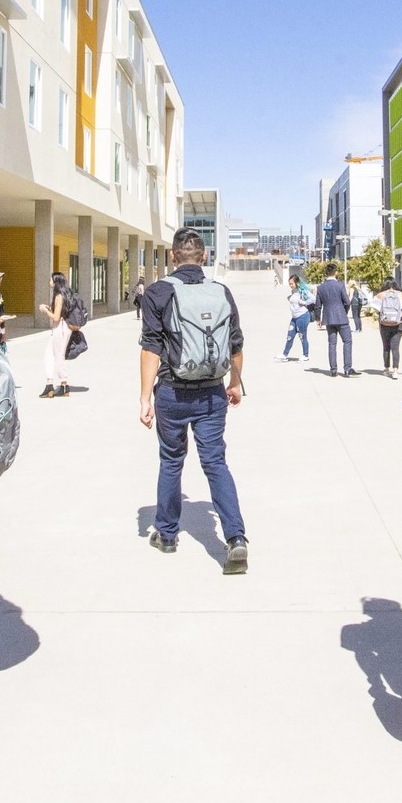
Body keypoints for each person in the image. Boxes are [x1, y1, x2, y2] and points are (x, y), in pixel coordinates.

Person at [139, 228, 248, 573]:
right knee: (215, 462)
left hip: (171, 392)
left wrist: (145, 398)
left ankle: (167, 534)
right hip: (212, 392)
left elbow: (151, 347)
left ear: (172, 257)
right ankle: (235, 539)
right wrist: (234, 383)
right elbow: (236, 344)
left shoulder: (158, 292)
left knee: (171, 461)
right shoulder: (221, 292)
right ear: (203, 258)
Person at [314, 262, 357, 376]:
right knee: (347, 341)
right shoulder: (340, 285)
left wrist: (318, 319)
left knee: (332, 344)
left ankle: (333, 370)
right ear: (336, 272)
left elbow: (317, 305)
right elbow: (347, 302)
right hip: (341, 318)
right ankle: (347, 369)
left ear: (325, 273)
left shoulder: (320, 288)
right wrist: (344, 311)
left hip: (328, 319)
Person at [38, 272, 72, 398]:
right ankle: (49, 384)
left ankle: (64, 385)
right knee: (48, 355)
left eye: (51, 280)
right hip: (61, 328)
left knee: (58, 356)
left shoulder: (59, 296)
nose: (49, 282)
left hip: (60, 329)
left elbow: (56, 317)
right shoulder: (65, 294)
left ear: (56, 282)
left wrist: (46, 311)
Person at [373, 278, 402, 377]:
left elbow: (374, 308)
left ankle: (386, 369)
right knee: (395, 347)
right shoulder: (400, 295)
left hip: (384, 324)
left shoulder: (381, 295)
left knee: (386, 347)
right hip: (397, 324)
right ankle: (395, 371)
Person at [277, 274, 312, 362]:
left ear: (297, 283)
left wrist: (304, 302)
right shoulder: (293, 291)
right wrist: (290, 298)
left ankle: (305, 355)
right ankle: (284, 354)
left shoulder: (302, 291)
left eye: (292, 283)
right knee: (290, 336)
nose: (290, 285)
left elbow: (313, 299)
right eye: (289, 283)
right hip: (294, 317)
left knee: (302, 336)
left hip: (302, 317)